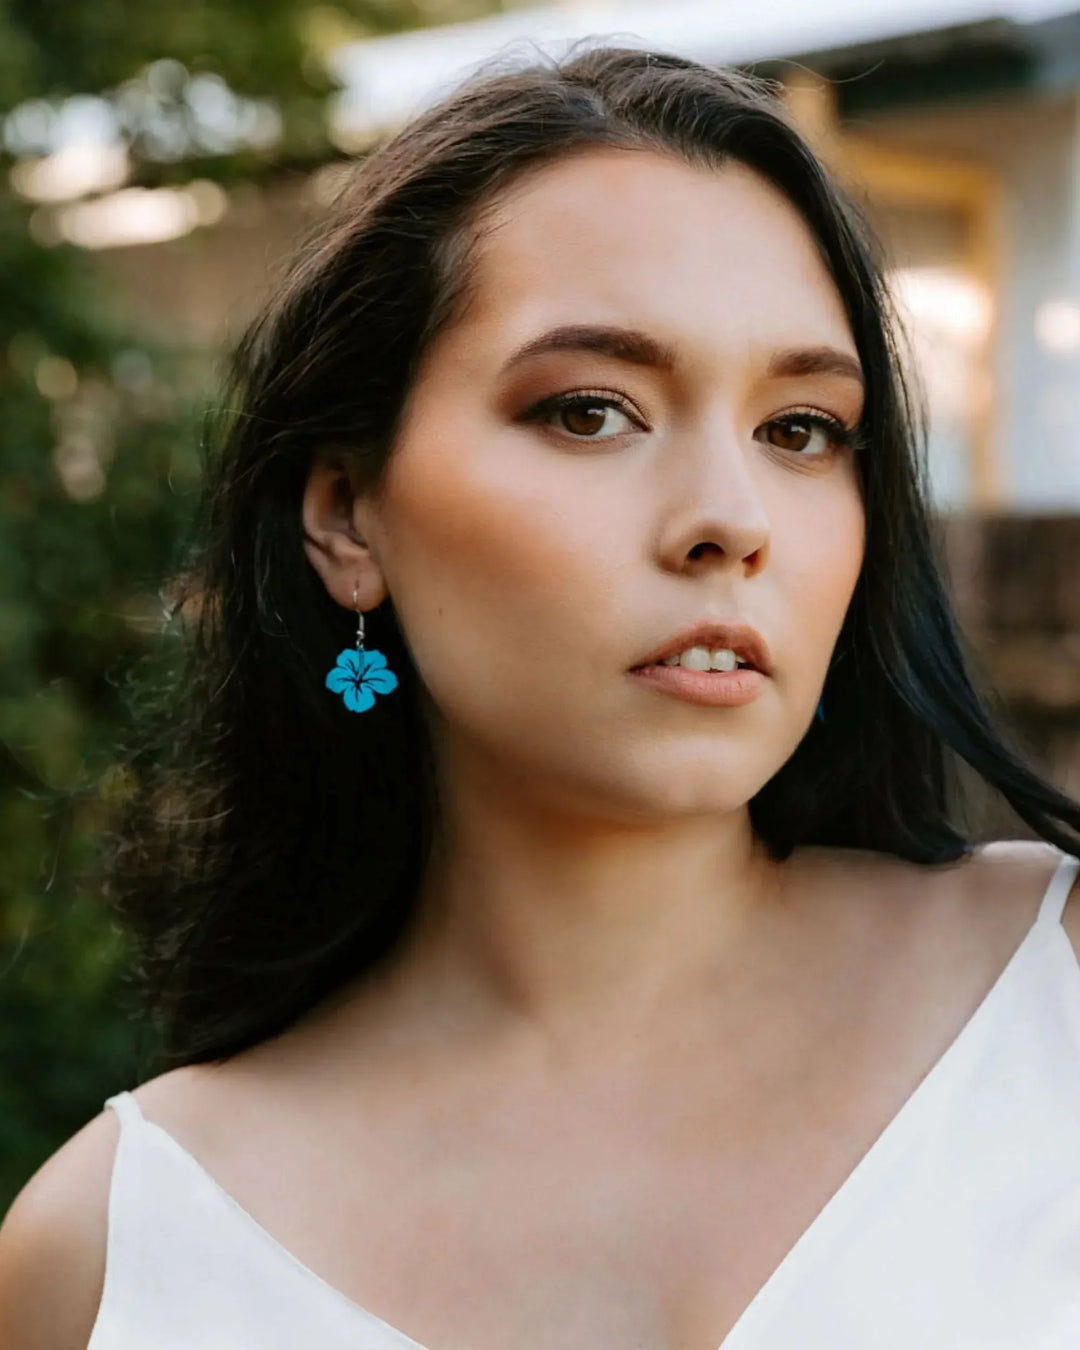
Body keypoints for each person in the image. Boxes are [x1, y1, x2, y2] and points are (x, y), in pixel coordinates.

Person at [2, 42, 1080, 1350]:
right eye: (591, 410)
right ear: (347, 516)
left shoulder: (1052, 992)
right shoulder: (110, 1257)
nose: (731, 522)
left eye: (799, 427)